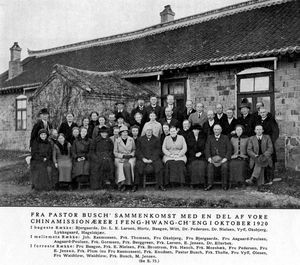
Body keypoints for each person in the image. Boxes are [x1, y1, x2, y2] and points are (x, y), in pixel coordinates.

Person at [134, 126, 166, 192]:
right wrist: (143, 158)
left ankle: (160, 184)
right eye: (147, 130)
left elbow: (158, 151)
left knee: (159, 165)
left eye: (150, 131)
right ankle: (136, 185)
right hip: (143, 158)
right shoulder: (140, 139)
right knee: (137, 166)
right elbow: (138, 151)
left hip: (153, 158)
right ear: (145, 131)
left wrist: (152, 159)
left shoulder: (156, 139)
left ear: (152, 131)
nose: (149, 132)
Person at [255, 108, 279, 183]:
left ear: (266, 112)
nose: (262, 113)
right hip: (259, 142)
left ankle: (270, 178)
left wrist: (271, 141)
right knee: (261, 158)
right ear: (259, 113)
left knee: (270, 159)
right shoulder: (257, 120)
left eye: (264, 112)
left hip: (269, 142)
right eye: (261, 112)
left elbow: (276, 131)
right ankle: (262, 178)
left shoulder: (271, 120)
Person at [205, 124, 232, 191]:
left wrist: (225, 158)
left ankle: (224, 185)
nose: (216, 131)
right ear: (213, 130)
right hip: (213, 159)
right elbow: (207, 149)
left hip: (223, 159)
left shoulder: (225, 138)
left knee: (225, 167)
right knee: (210, 166)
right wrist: (209, 158)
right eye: (215, 129)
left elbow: (229, 149)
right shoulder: (210, 138)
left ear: (221, 130)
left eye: (218, 129)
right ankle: (210, 184)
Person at [114, 125, 136, 191]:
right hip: (120, 158)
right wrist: (122, 156)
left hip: (130, 157)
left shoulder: (131, 139)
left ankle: (130, 183)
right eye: (123, 132)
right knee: (121, 166)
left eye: (126, 132)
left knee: (130, 165)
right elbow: (115, 152)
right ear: (120, 133)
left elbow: (134, 149)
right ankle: (122, 184)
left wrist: (131, 155)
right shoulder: (117, 140)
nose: (125, 134)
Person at [186, 124, 207, 188]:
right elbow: (188, 148)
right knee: (193, 165)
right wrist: (194, 154)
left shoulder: (203, 137)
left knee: (201, 165)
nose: (196, 131)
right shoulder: (189, 136)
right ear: (192, 130)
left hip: (202, 156)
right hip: (192, 156)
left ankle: (202, 183)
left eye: (197, 130)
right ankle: (193, 183)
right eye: (194, 130)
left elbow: (206, 147)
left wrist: (201, 153)